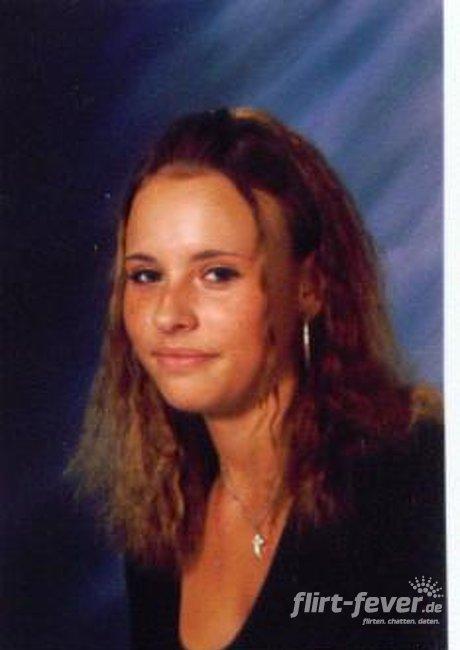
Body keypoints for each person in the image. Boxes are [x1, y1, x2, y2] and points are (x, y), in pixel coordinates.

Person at [69, 107, 445, 649]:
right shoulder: (161, 529)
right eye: (146, 276)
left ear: (310, 287)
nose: (169, 315)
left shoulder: (417, 478)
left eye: (217, 274)